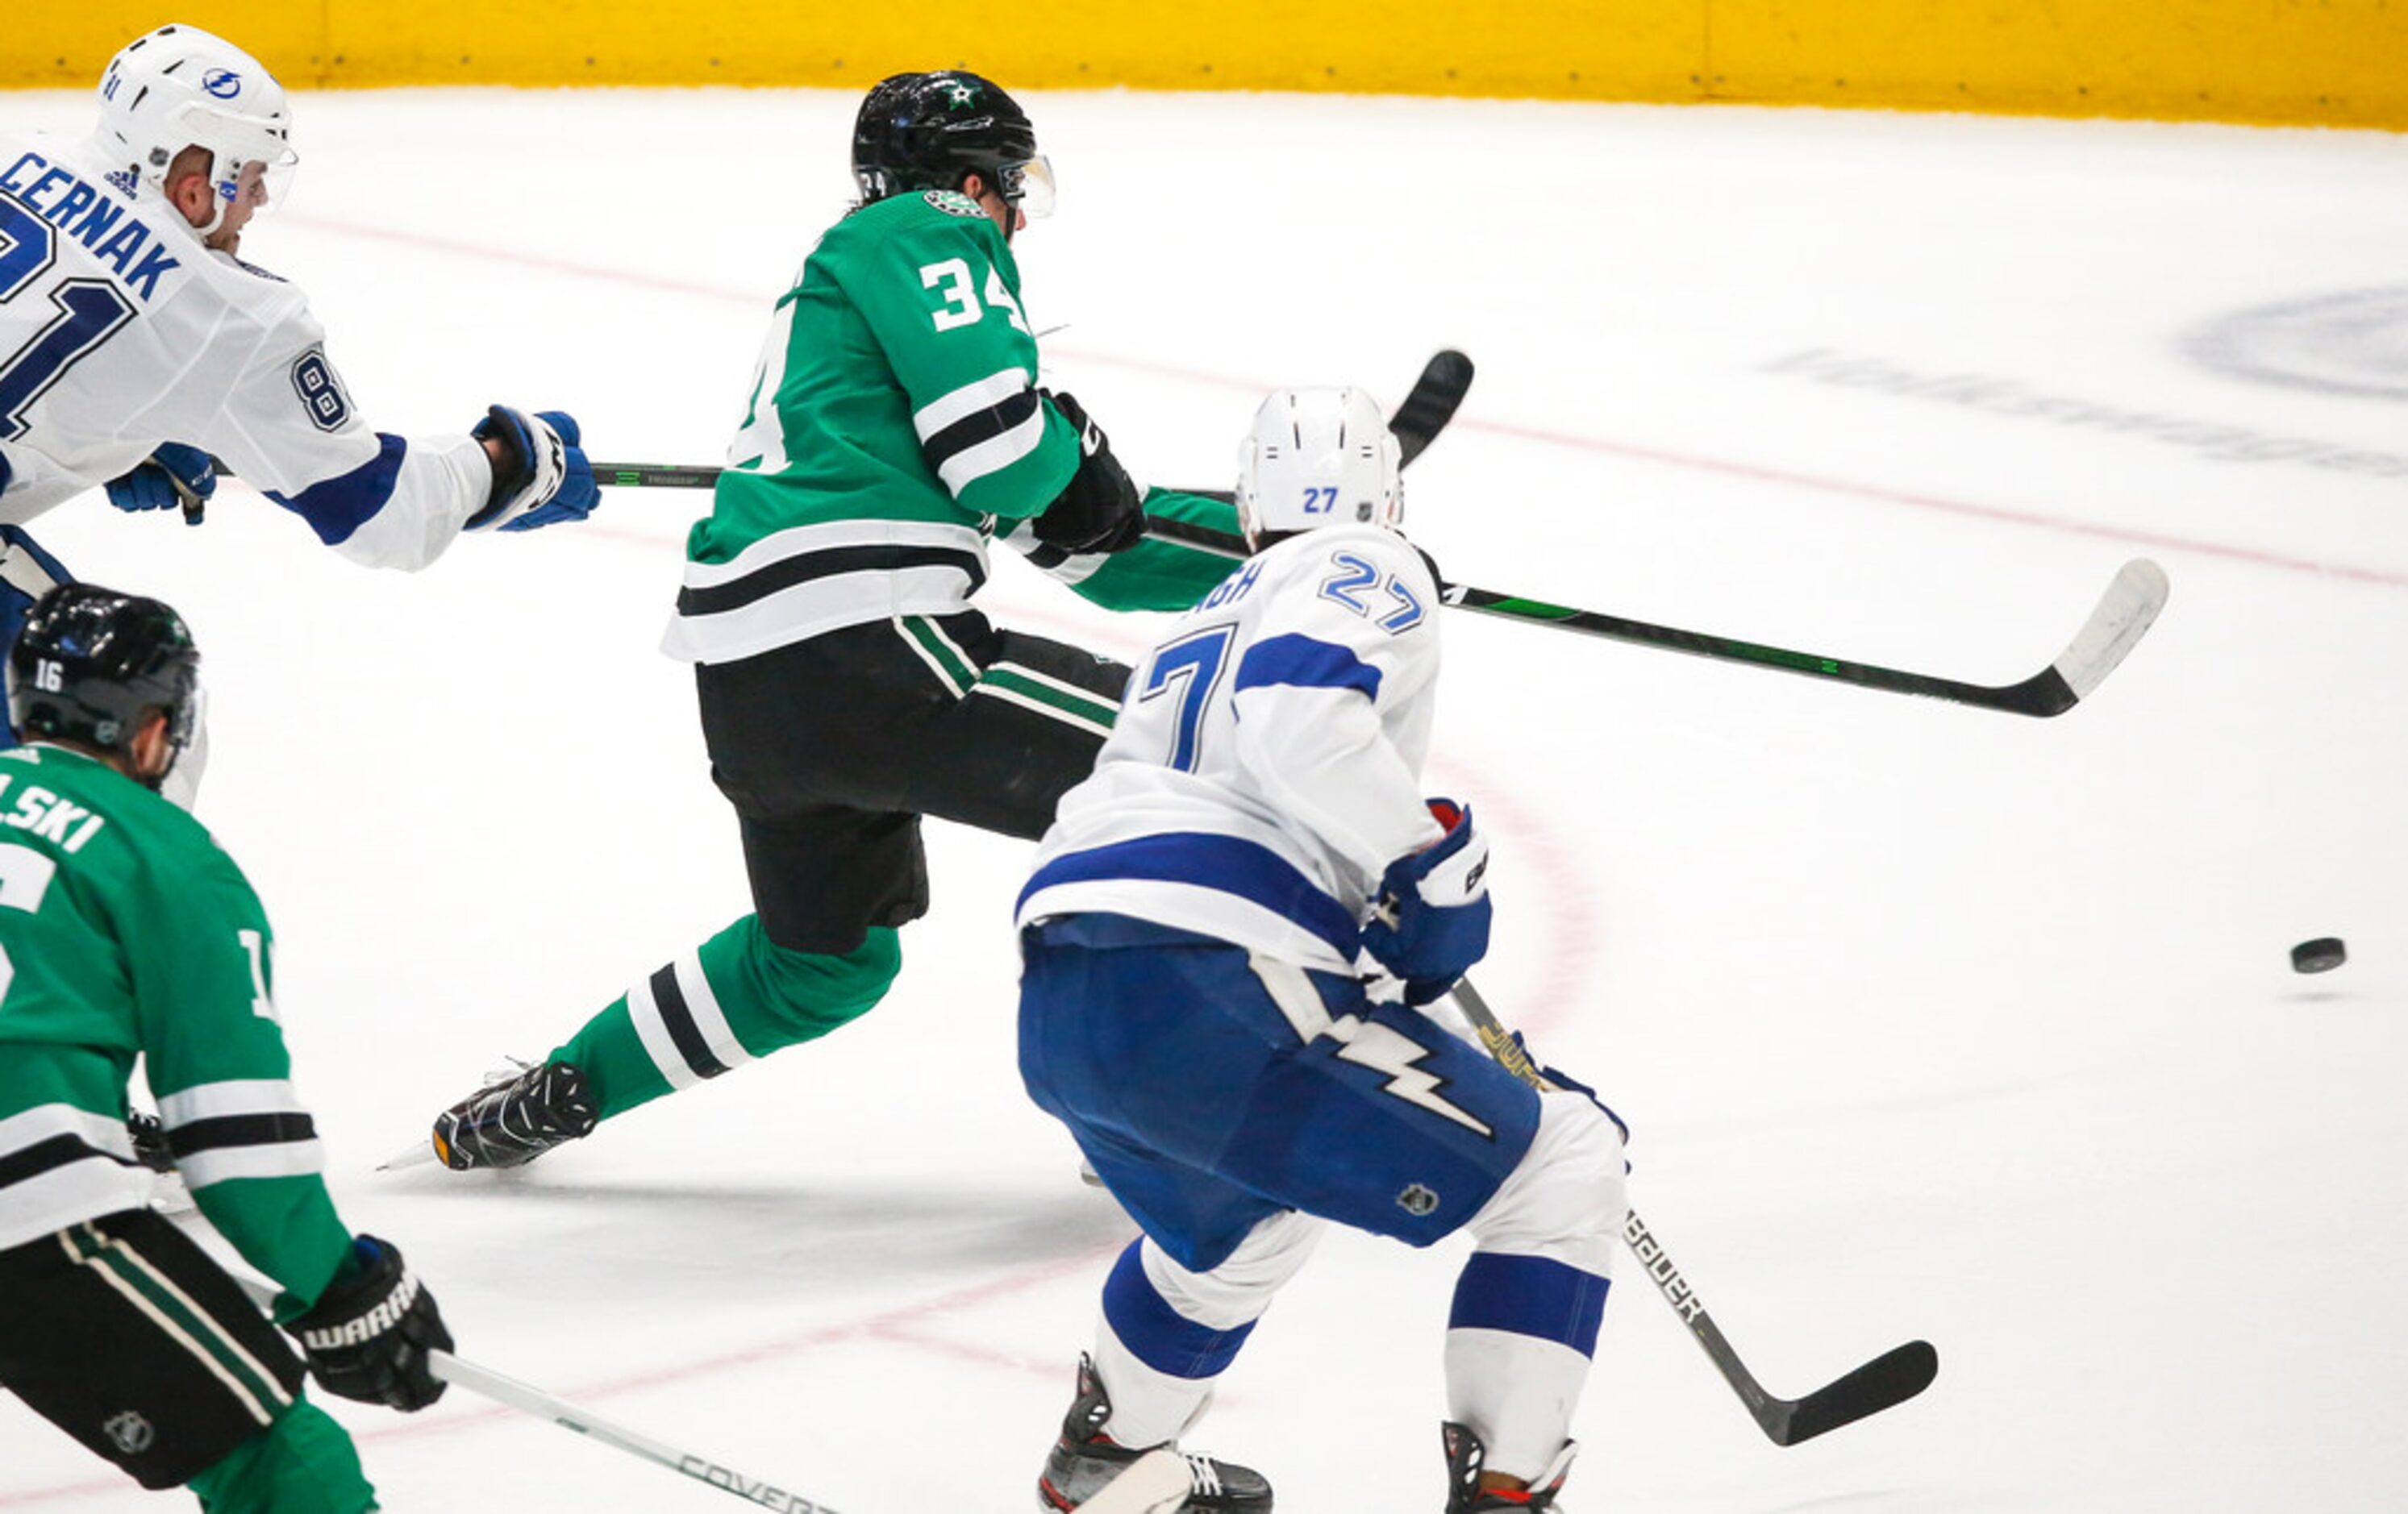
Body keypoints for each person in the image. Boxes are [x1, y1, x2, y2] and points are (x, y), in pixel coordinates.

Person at [423, 69, 1239, 1169]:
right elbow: (1007, 451)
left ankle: (569, 1084)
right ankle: (1143, 1105)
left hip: (761, 686)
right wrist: (1067, 450)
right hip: (869, 648)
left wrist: (1283, 543)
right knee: (1190, 777)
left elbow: (1092, 547)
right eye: (1011, 193)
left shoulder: (851, 343)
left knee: (821, 963)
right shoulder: (928, 227)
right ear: (970, 180)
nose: (1012, 223)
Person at [1013, 389, 1629, 1511]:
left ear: (1249, 507)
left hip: (1070, 993)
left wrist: (1411, 959)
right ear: (1388, 500)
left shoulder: (1206, 611)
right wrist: (1424, 861)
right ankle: (1503, 1497)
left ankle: (1106, 1464)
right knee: (1564, 1161)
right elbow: (1300, 713)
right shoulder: (1371, 561)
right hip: (1213, 967)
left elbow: (1274, 854)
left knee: (1240, 1229)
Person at [0, 23, 599, 730]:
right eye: (252, 179)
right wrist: (511, 462)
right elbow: (384, 516)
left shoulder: (21, 155)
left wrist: (115, 434)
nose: (255, 202)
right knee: (109, 734)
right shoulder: (228, 317)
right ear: (195, 190)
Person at [0, 584, 455, 1512]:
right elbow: (239, 1148)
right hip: (22, 1197)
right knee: (278, 1464)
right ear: (155, 727)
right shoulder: (165, 854)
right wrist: (341, 1284)